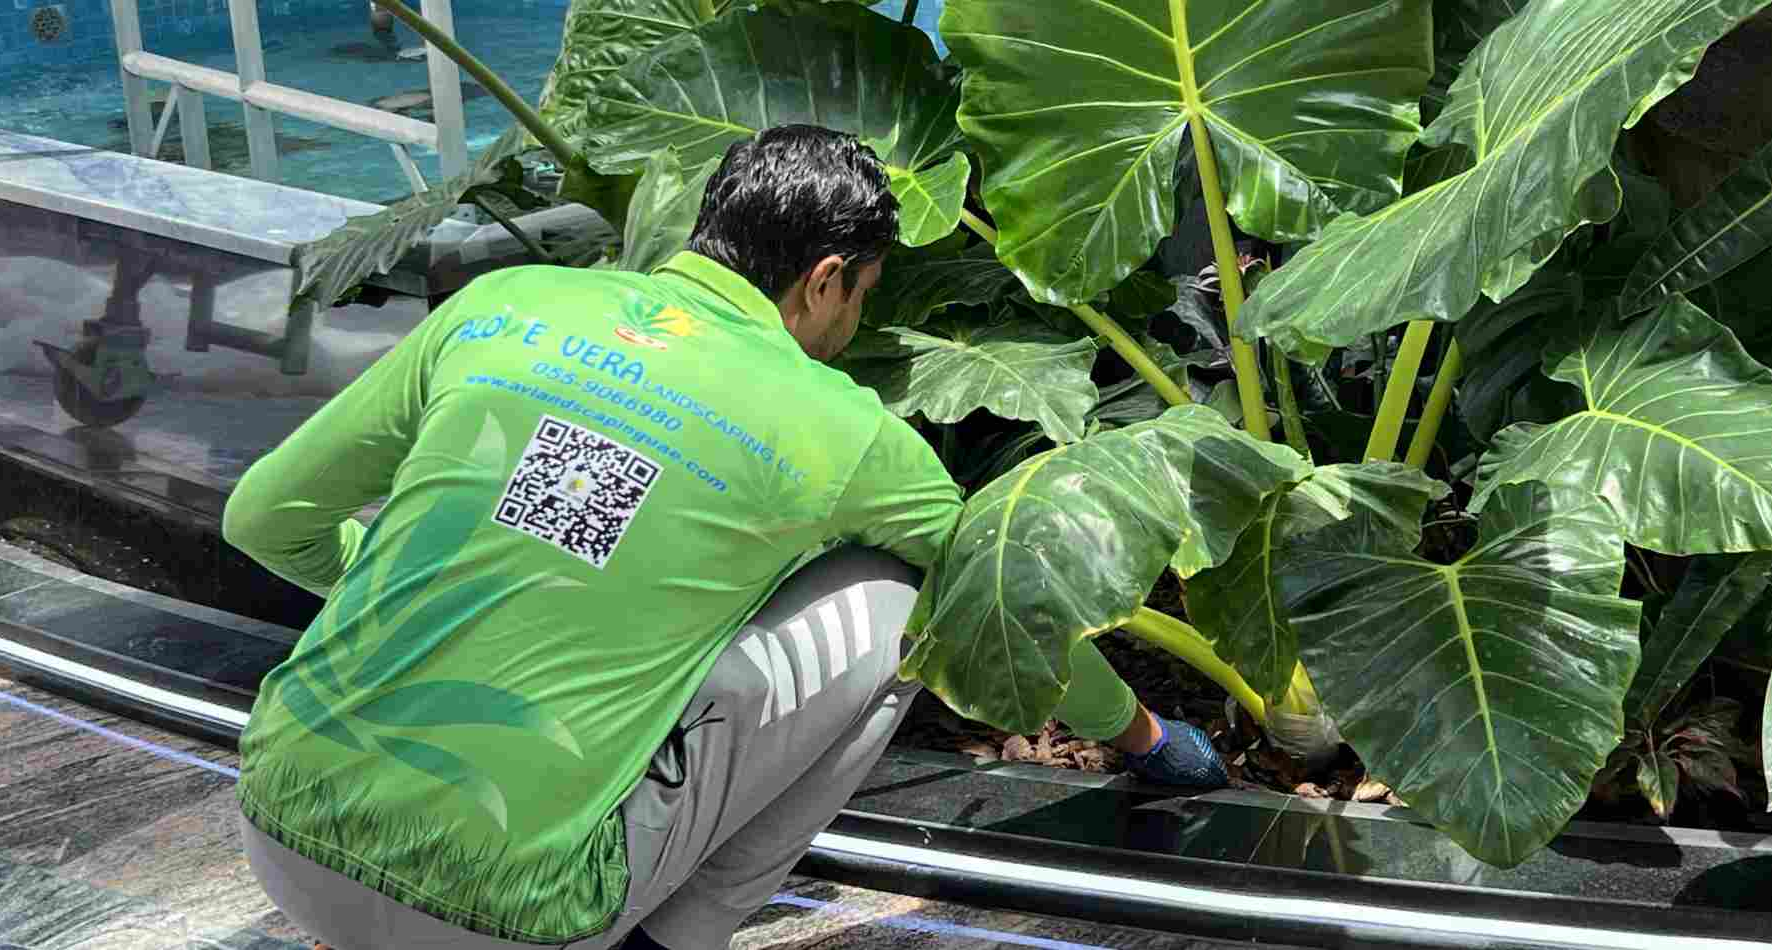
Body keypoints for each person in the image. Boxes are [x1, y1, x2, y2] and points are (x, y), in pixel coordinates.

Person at [222, 125, 1228, 950]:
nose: (855, 318)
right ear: (828, 278)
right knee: (905, 606)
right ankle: (673, 942)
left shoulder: (506, 303)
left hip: (275, 827)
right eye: (865, 293)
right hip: (515, 920)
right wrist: (1147, 737)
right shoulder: (842, 429)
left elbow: (264, 516)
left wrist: (401, 584)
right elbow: (995, 612)